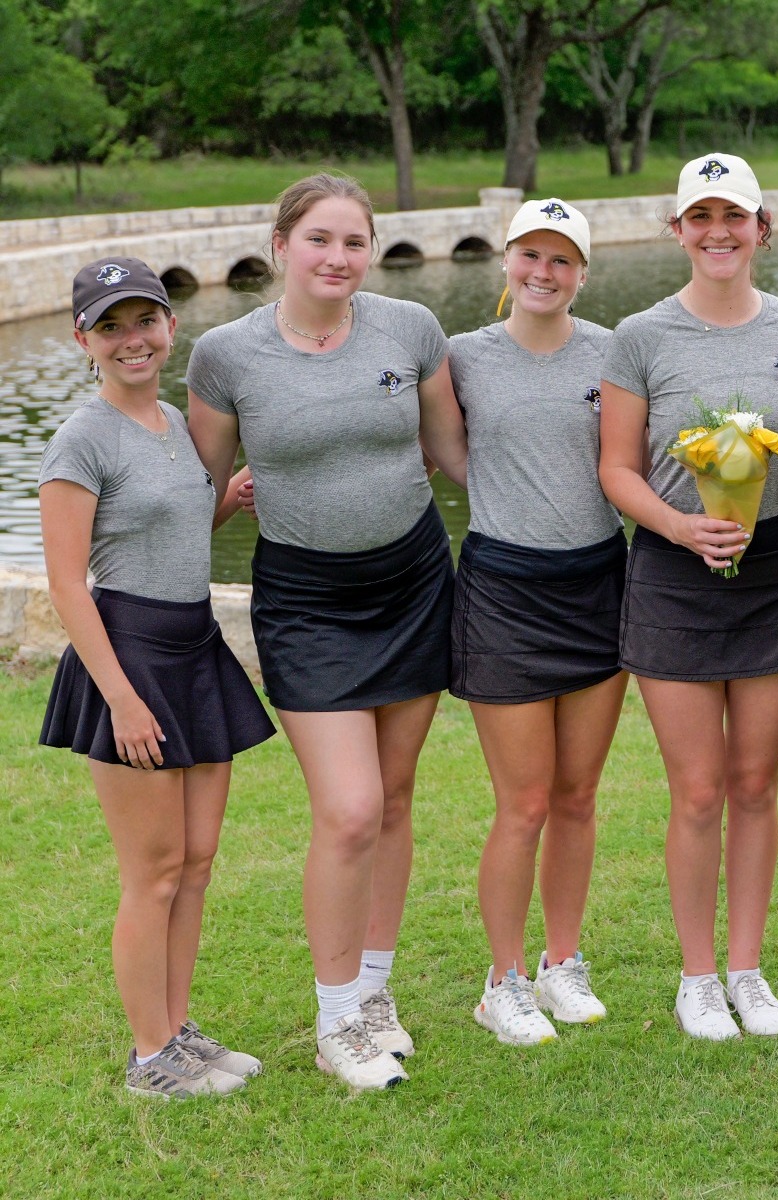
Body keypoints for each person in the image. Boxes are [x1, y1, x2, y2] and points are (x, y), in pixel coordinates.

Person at [187, 173, 466, 1091]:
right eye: (320, 240)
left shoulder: (411, 330)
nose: (339, 257)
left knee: (392, 799)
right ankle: (336, 1018)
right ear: (280, 245)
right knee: (347, 810)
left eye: (355, 241)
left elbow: (452, 452)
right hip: (307, 599)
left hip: (416, 580)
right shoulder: (226, 355)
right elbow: (198, 494)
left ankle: (375, 995)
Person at [39, 258, 273, 1098]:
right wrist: (121, 697)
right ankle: (150, 1058)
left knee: (199, 861)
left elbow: (163, 530)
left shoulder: (175, 422)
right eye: (111, 326)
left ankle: (178, 1030)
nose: (131, 339)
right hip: (130, 656)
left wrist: (225, 497)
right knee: (156, 872)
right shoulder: (80, 439)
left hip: (194, 648)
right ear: (84, 342)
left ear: (171, 326)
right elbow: (70, 581)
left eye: (144, 320)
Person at [597, 153, 778, 1041]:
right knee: (697, 791)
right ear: (679, 230)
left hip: (771, 575)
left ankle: (749, 970)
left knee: (756, 783)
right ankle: (697, 977)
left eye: (736, 217)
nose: (719, 232)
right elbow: (615, 466)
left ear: (762, 228)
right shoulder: (639, 335)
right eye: (701, 217)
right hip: (674, 571)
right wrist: (682, 528)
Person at [450, 199, 625, 1047]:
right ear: (507, 263)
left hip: (598, 585)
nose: (544, 274)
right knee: (522, 802)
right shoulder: (461, 358)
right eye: (531, 257)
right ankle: (503, 980)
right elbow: (422, 445)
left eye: (562, 260)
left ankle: (562, 962)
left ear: (582, 273)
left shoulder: (612, 352)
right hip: (506, 591)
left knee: (577, 796)